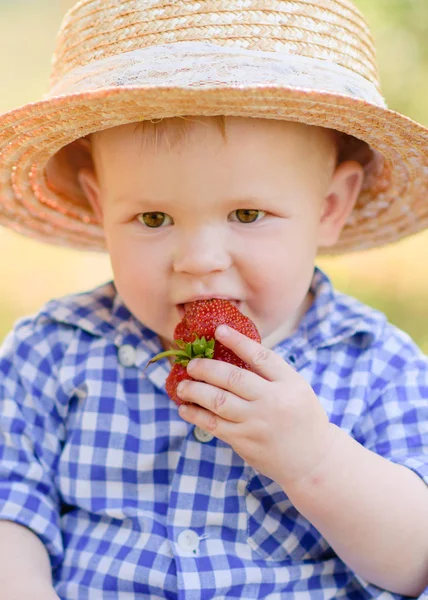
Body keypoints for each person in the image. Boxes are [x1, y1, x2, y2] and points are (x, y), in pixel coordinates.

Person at [0, 0, 427, 598]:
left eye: (247, 214)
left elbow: (416, 563)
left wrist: (315, 461)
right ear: (101, 209)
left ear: (330, 207)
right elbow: (10, 512)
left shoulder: (377, 365)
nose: (198, 258)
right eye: (152, 218)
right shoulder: (53, 354)